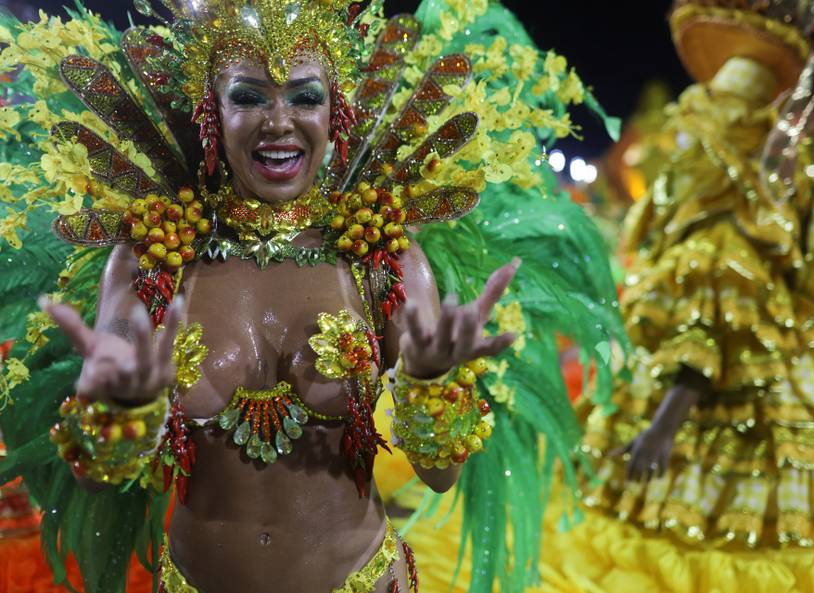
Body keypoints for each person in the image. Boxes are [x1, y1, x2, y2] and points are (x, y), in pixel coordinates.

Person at [0, 1, 622, 592]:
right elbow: (94, 477)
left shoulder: (382, 255)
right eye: (248, 97)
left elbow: (440, 475)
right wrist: (119, 412)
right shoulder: (152, 257)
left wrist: (432, 385)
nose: (279, 122)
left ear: (336, 113)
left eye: (305, 97)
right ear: (211, 112)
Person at [573, 1, 814, 592]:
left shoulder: (724, 227)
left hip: (737, 397)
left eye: (701, 134)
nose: (684, 149)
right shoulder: (731, 211)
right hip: (798, 350)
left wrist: (664, 428)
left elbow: (713, 330)